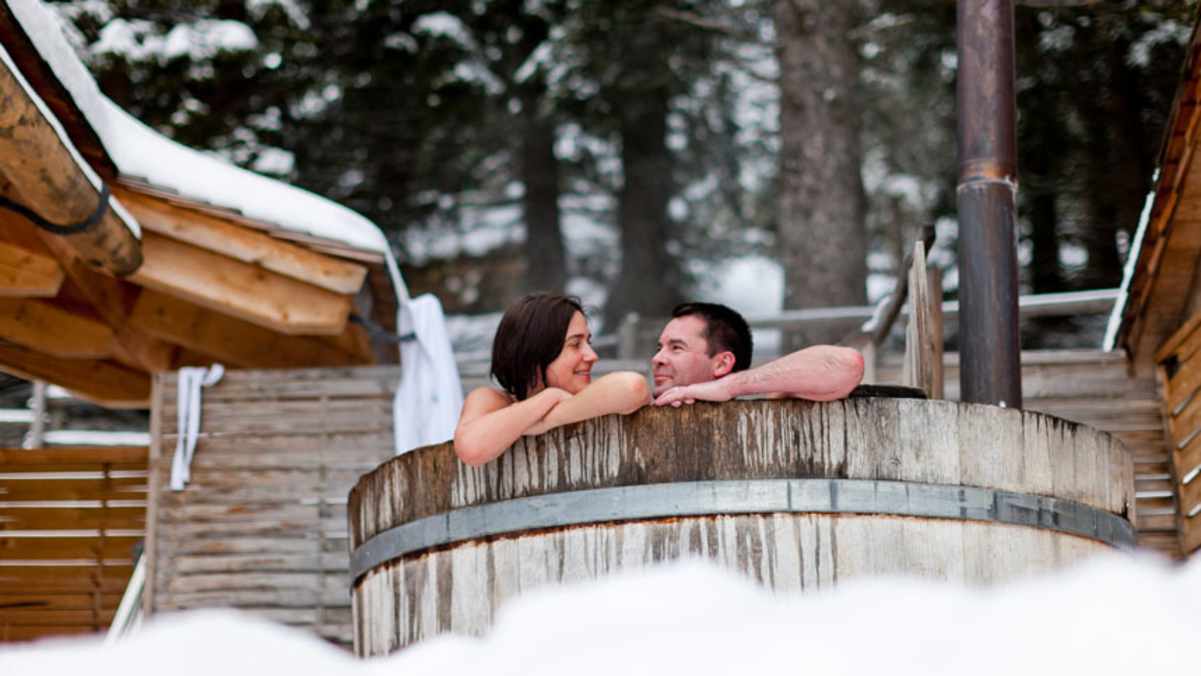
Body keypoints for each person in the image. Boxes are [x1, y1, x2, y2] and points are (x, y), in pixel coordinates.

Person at [454, 294, 649, 465]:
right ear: (535, 352)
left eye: (588, 342)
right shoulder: (493, 400)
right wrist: (549, 397)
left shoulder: (593, 398)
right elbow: (471, 449)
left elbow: (633, 387)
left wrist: (548, 420)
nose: (592, 355)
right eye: (575, 344)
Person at [651, 302, 864, 407]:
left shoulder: (768, 406)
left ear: (722, 364)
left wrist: (729, 386)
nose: (657, 358)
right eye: (659, 348)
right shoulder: (638, 402)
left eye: (676, 348)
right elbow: (628, 387)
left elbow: (846, 364)